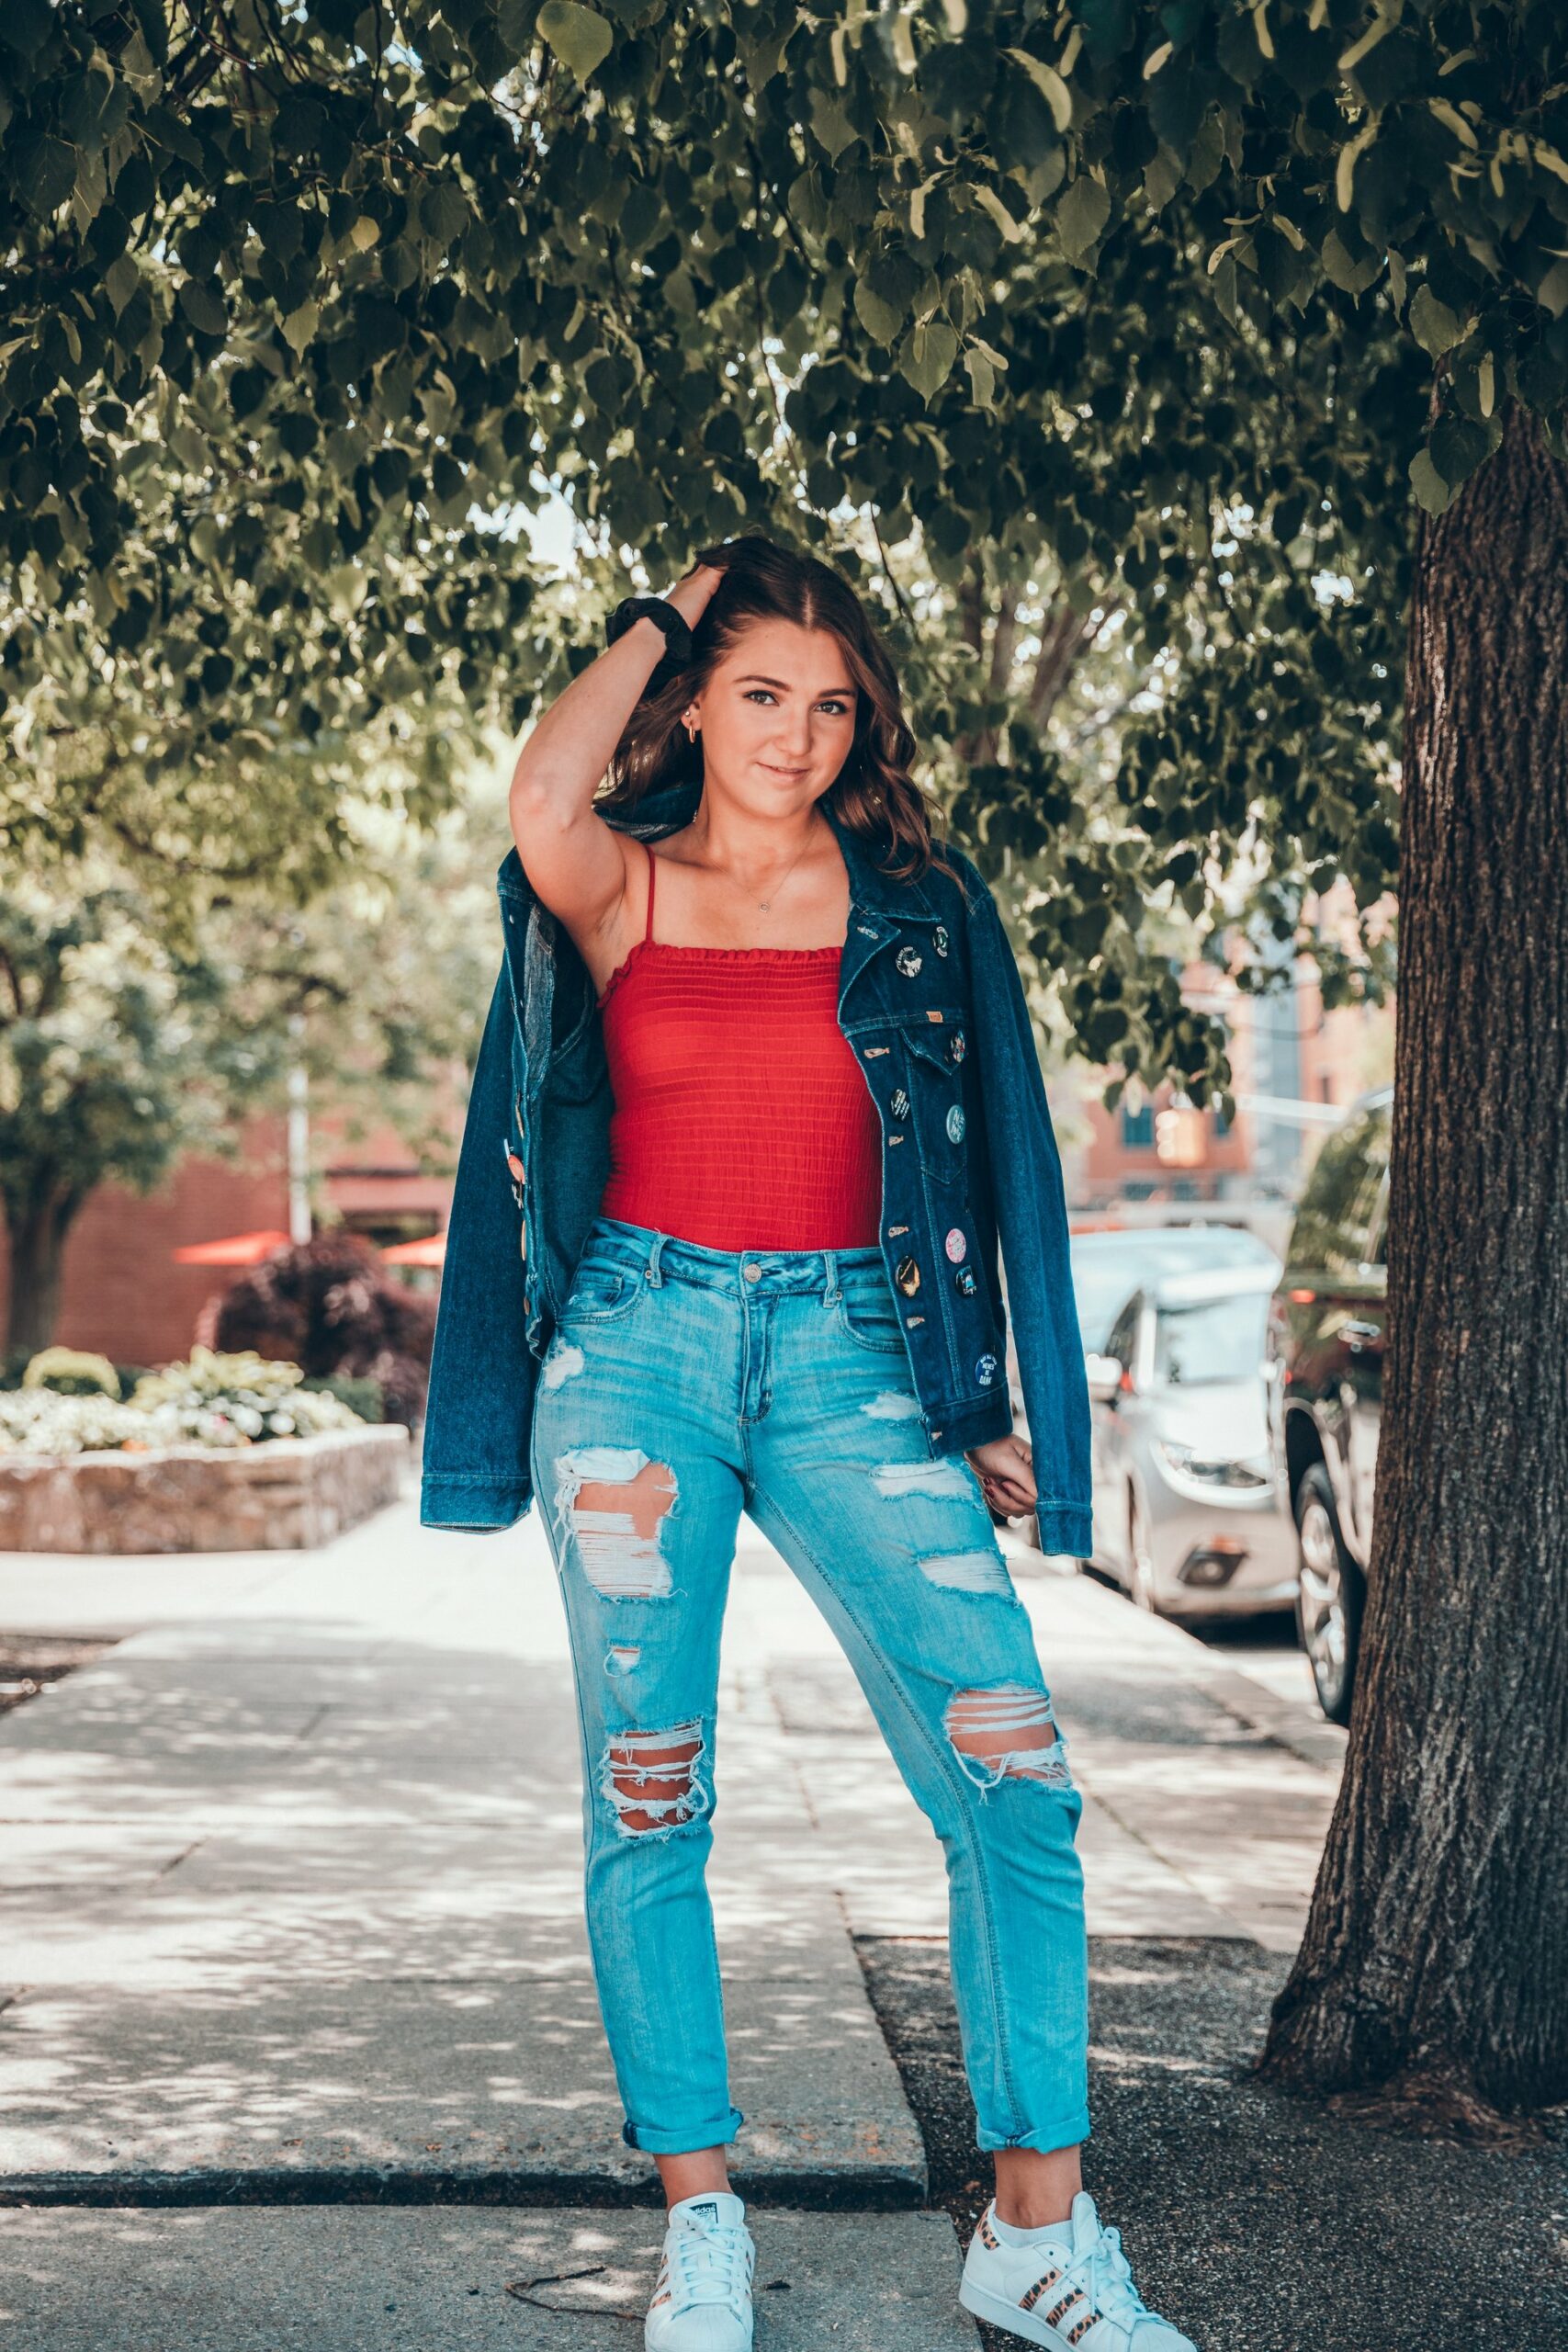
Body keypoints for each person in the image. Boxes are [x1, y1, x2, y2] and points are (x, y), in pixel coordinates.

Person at [425, 535, 1197, 2352]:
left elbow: (995, 1149)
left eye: (830, 702)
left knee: (1013, 1774)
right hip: (634, 1354)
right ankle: (701, 2219)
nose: (795, 732)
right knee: (649, 1791)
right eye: (759, 692)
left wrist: (991, 1393)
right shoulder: (616, 879)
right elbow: (540, 781)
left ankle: (1034, 2228)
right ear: (693, 696)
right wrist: (668, 603)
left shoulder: (917, 897)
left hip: (863, 1349)